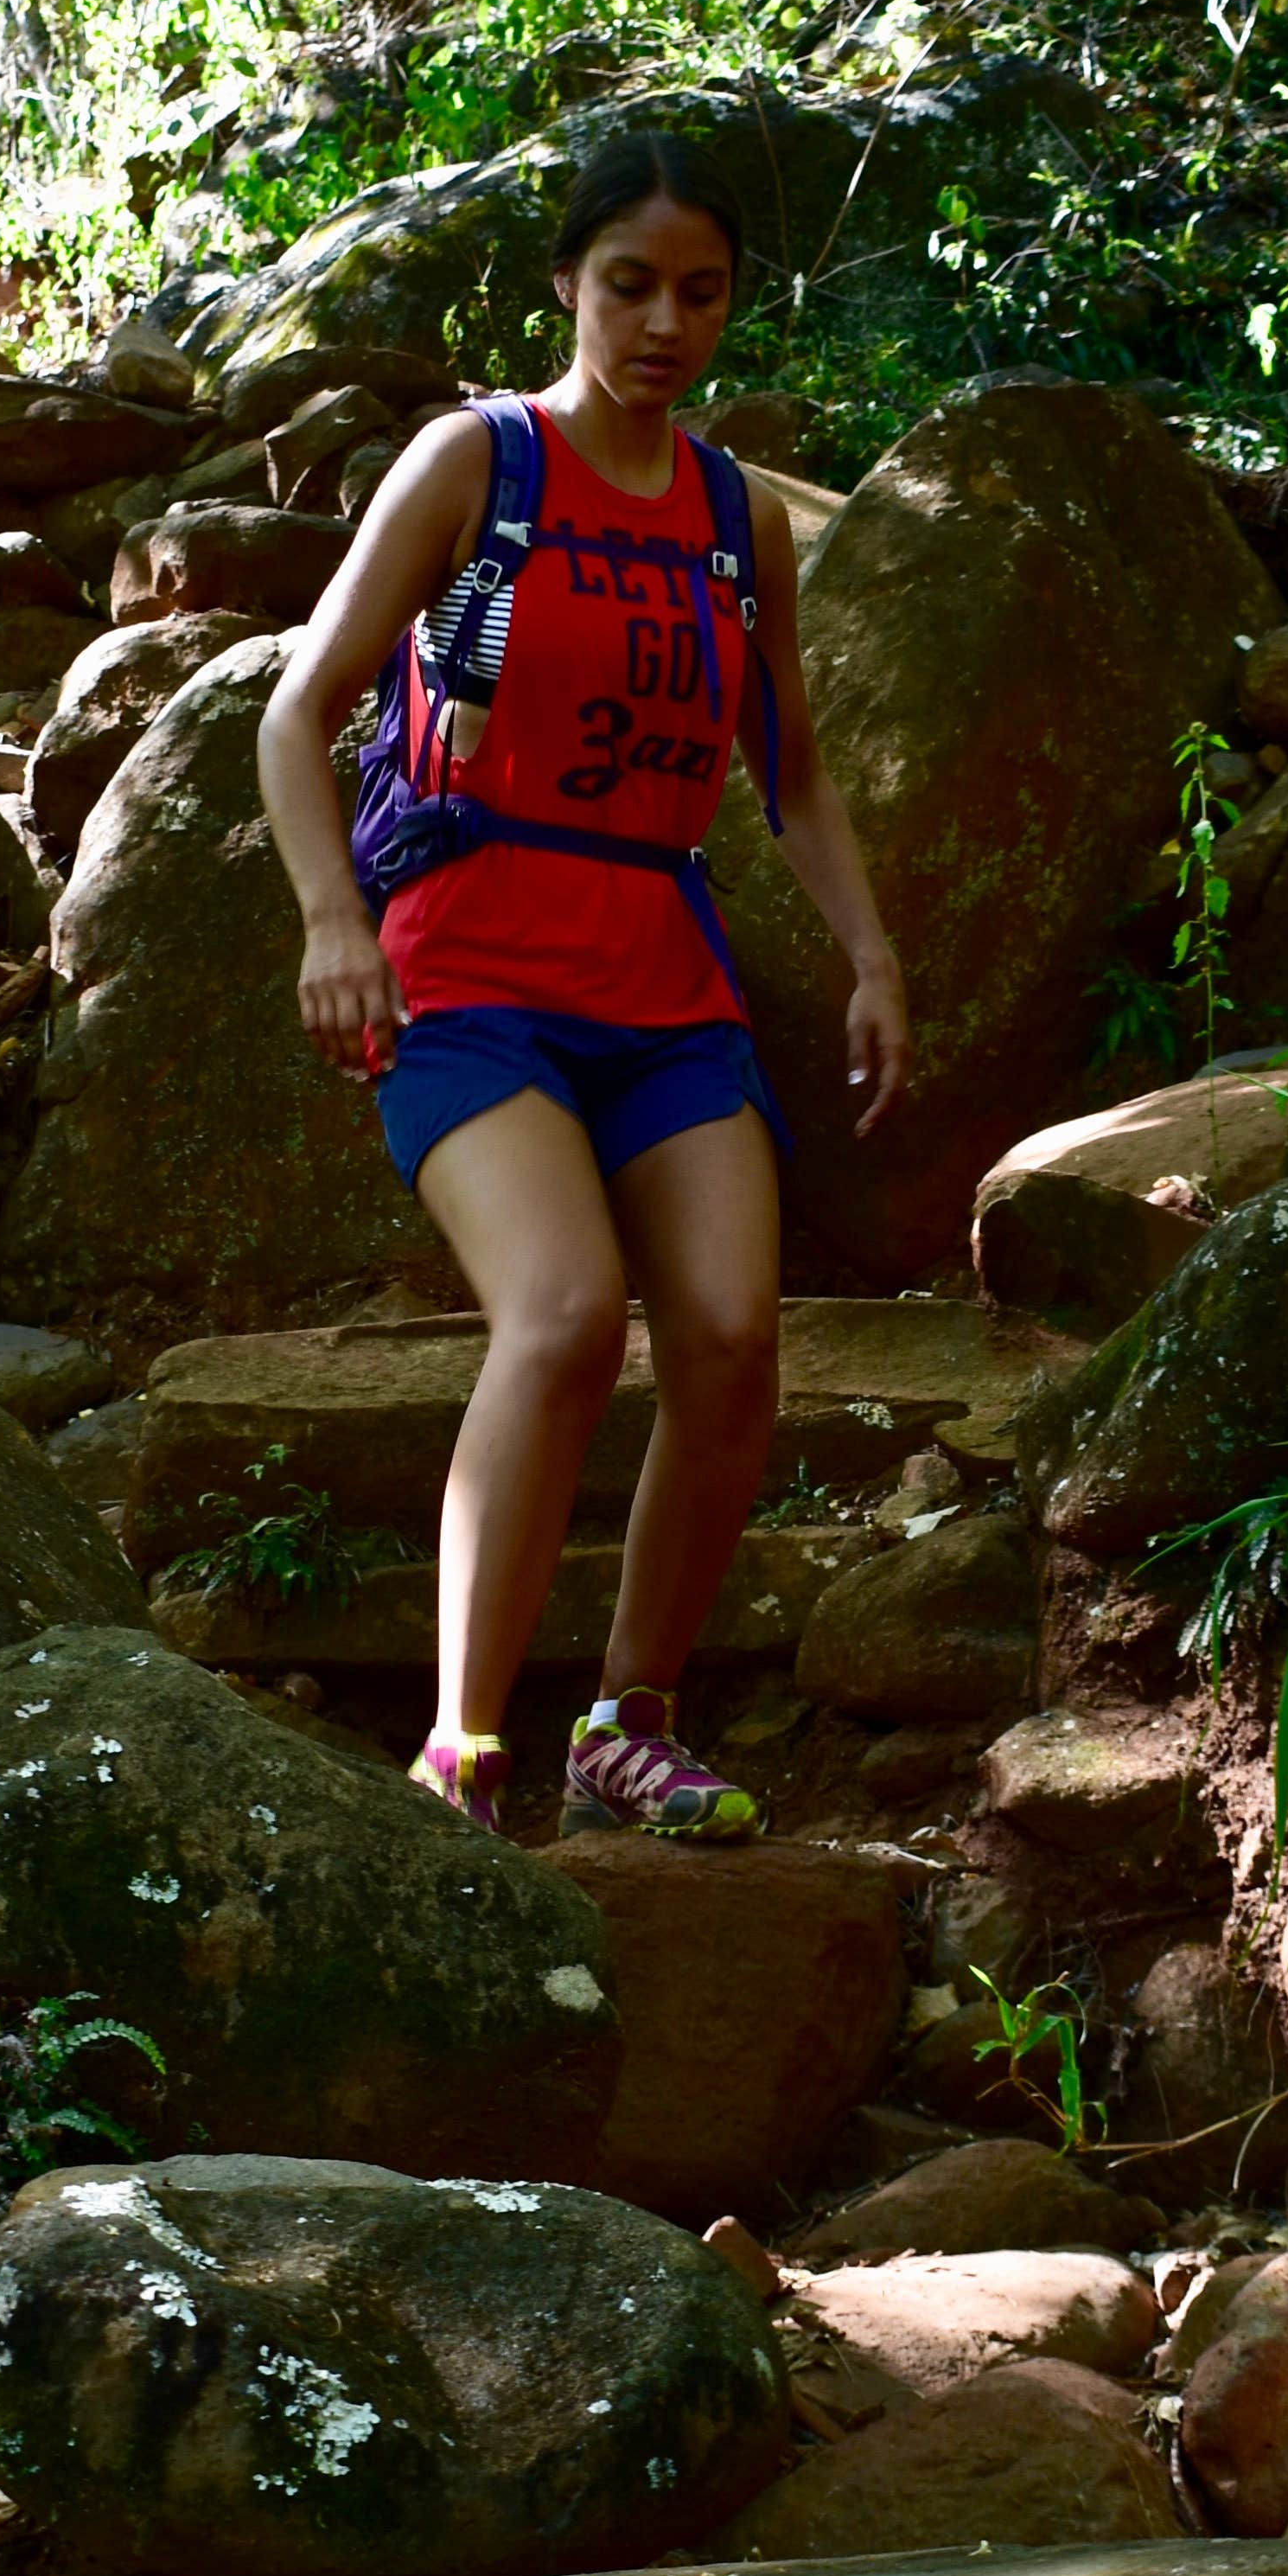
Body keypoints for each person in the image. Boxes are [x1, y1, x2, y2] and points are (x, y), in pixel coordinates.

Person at [257, 137, 909, 1842]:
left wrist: (868, 953)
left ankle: (630, 1724)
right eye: (628, 283)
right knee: (555, 1320)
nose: (662, 322)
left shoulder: (730, 517)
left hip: (660, 983)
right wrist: (332, 922)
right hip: (465, 976)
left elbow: (793, 777)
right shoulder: (478, 462)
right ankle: (462, 1750)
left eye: (699, 292)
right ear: (567, 284)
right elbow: (292, 708)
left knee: (728, 1341)